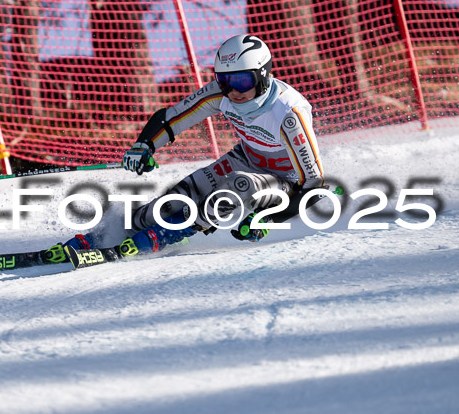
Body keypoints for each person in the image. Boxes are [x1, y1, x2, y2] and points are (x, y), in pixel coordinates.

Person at [43, 34, 325, 263]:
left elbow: (313, 185)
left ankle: (169, 233)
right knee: (175, 199)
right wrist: (145, 145)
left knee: (235, 186)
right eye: (225, 81)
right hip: (246, 158)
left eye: (242, 81)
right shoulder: (222, 93)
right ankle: (102, 238)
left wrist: (267, 219)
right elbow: (173, 117)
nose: (233, 91)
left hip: (283, 184)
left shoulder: (288, 112)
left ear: (262, 75)